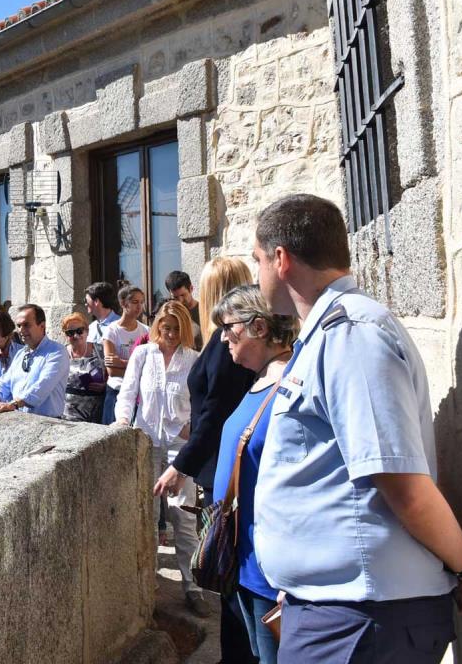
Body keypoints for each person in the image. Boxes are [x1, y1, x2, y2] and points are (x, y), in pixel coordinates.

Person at [251, 194, 462, 663]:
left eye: (256, 260)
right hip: (344, 612)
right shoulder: (330, 333)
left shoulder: (351, 334)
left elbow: (401, 483)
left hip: (360, 620)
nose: (255, 274)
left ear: (281, 259)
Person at [155, 257, 258, 663]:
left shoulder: (223, 346)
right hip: (223, 465)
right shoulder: (224, 341)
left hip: (224, 469)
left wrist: (180, 465)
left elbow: (215, 414)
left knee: (231, 565)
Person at [209, 285, 296, 663]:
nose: (223, 338)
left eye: (229, 328)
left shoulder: (288, 387)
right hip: (242, 566)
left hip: (268, 574)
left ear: (258, 327)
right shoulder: (259, 380)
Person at [112, 300, 204, 616]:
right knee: (147, 516)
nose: (171, 335)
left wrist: (192, 428)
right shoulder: (143, 354)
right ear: (157, 328)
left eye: (177, 329)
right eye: (166, 329)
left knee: (184, 516)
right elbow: (128, 392)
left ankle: (193, 586)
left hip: (180, 446)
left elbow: (201, 401)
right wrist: (123, 421)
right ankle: (145, 583)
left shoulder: (193, 359)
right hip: (146, 441)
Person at [0, 303, 69, 418]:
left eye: (26, 325)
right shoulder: (21, 353)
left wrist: (13, 404)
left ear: (42, 326)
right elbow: (5, 382)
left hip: (47, 424)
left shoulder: (57, 352)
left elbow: (42, 386)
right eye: (19, 326)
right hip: (21, 421)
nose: (21, 330)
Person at [102, 285, 148, 424]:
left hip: (138, 393)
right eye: (135, 302)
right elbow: (112, 371)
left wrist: (121, 363)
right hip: (116, 390)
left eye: (141, 302)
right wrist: (136, 368)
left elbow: (147, 368)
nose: (139, 306)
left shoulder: (146, 331)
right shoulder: (111, 331)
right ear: (123, 303)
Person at [62, 313, 107, 422]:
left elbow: (115, 377)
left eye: (79, 331)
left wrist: (105, 386)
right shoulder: (61, 353)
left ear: (87, 331)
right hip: (67, 415)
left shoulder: (101, 350)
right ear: (65, 335)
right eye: (70, 333)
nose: (76, 336)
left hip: (97, 414)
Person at [84, 281, 121, 363]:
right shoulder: (92, 327)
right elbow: (87, 356)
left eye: (86, 300)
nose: (85, 304)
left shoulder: (120, 325)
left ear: (96, 301)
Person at [166, 269, 203, 349]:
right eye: (175, 297)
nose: (180, 300)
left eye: (183, 295)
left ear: (191, 288)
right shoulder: (169, 313)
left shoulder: (204, 311)